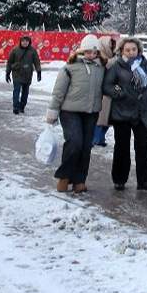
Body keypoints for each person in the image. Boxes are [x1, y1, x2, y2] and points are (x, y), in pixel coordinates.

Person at [45, 34, 105, 193]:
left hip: (91, 113)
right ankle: (64, 177)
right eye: (88, 52)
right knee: (75, 142)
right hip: (70, 112)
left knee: (86, 147)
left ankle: (79, 180)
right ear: (81, 50)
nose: (91, 55)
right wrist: (52, 112)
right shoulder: (69, 67)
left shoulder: (101, 68)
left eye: (94, 52)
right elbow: (58, 92)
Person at [103, 38, 147, 191]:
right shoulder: (117, 66)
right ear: (122, 51)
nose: (131, 52)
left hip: (142, 112)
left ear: (138, 50)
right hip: (122, 112)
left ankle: (144, 180)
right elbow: (107, 85)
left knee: (143, 146)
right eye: (127, 50)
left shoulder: (145, 64)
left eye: (134, 49)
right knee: (122, 147)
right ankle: (119, 179)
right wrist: (119, 93)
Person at [5, 35, 42, 114]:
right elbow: (10, 62)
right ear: (20, 42)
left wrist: (39, 72)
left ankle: (22, 106)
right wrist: (7, 73)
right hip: (17, 73)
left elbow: (37, 62)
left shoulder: (32, 51)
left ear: (29, 42)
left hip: (27, 74)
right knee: (16, 90)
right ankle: (15, 107)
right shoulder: (15, 50)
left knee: (25, 92)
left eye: (27, 41)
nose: (25, 43)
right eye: (23, 41)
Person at [92, 36, 117, 147]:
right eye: (110, 44)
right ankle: (96, 139)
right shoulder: (99, 55)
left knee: (107, 119)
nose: (112, 46)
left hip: (110, 91)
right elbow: (106, 64)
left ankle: (100, 138)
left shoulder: (112, 56)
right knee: (101, 118)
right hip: (101, 92)